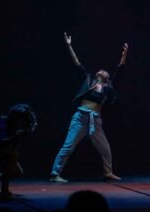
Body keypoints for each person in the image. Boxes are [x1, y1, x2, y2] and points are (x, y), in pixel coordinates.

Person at [49, 33, 128, 182]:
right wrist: (69, 46)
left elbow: (120, 71)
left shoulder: (108, 87)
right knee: (68, 146)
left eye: (105, 71)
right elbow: (76, 63)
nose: (102, 70)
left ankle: (108, 172)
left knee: (105, 149)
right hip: (80, 117)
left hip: (95, 120)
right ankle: (55, 174)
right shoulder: (88, 80)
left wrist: (124, 54)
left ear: (107, 77)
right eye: (100, 69)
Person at [0, 103, 38, 199]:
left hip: (0, 148)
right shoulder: (3, 123)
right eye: (21, 118)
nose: (22, 121)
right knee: (12, 156)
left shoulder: (16, 125)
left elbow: (12, 145)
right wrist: (16, 137)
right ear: (15, 116)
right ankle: (4, 191)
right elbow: (2, 141)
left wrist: (20, 135)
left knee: (17, 173)